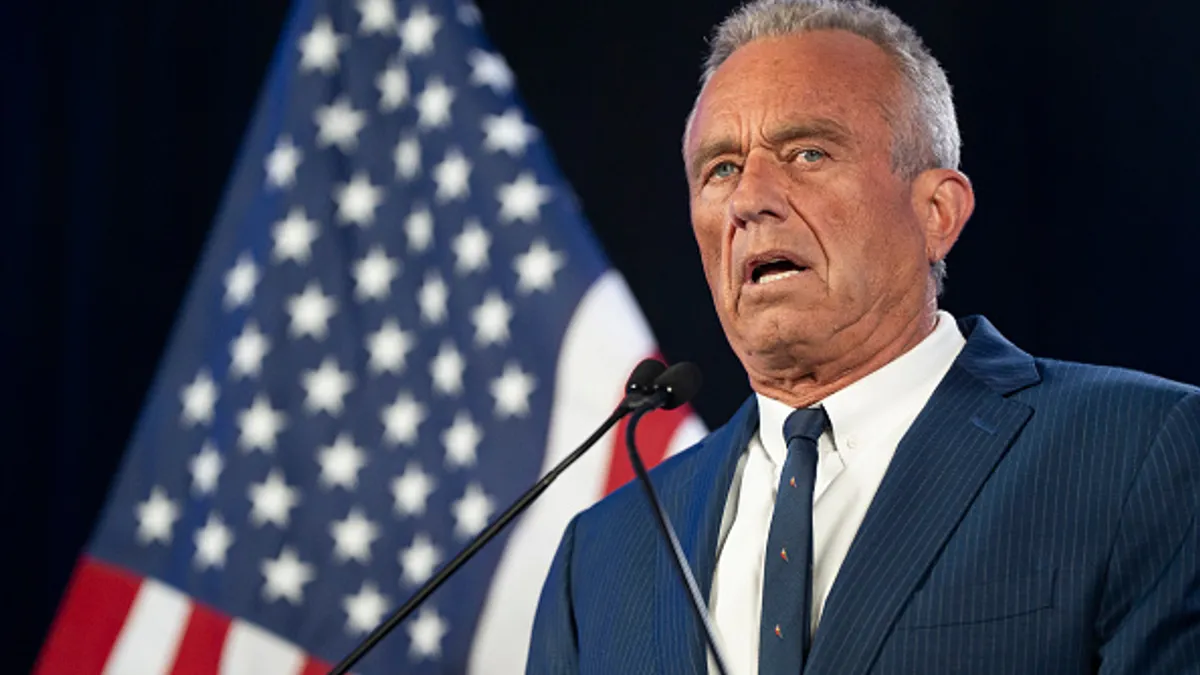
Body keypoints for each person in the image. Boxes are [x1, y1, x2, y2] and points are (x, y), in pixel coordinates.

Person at [526, 0, 1200, 673]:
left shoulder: (1140, 451)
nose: (749, 199)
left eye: (808, 152)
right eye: (721, 168)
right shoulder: (604, 554)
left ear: (937, 212)